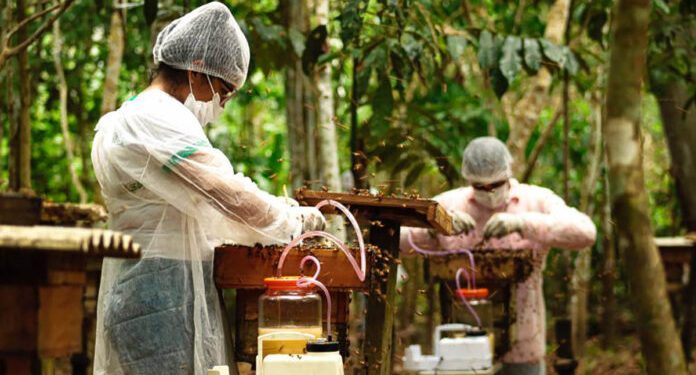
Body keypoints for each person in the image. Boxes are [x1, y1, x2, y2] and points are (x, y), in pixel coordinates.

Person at [91, 3, 325, 374]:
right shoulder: (157, 117)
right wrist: (293, 221)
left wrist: (276, 209)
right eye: (224, 90)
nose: (221, 103)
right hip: (160, 295)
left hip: (141, 287)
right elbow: (228, 196)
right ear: (197, 68)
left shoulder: (126, 119)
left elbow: (197, 198)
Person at [402, 137, 596, 375]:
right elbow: (397, 241)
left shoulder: (535, 200)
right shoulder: (449, 203)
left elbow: (585, 232)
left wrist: (522, 223)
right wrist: (437, 224)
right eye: (480, 186)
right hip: (459, 348)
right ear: (469, 180)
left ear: (507, 174)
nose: (489, 192)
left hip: (523, 345)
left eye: (495, 184)